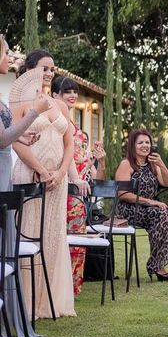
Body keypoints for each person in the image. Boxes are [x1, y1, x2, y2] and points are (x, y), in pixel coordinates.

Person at [12, 49, 79, 319]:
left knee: (52, 237)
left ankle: (50, 302)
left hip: (57, 180)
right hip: (31, 176)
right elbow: (14, 140)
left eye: (52, 68)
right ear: (30, 68)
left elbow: (70, 141)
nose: (50, 73)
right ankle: (28, 302)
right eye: (44, 68)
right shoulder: (19, 101)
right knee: (30, 233)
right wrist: (40, 170)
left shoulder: (59, 105)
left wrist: (62, 172)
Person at [0, 36, 50, 337]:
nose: (9, 56)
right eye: (5, 51)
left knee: (5, 243)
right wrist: (33, 113)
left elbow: (7, 137)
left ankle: (7, 319)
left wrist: (23, 139)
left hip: (3, 168)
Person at [51, 76, 106, 294]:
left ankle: (73, 286)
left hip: (79, 193)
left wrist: (97, 159)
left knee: (77, 239)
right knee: (61, 237)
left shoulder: (77, 129)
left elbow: (89, 169)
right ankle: (58, 286)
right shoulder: (57, 126)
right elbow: (64, 156)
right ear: (55, 95)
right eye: (67, 92)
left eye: (74, 91)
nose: (73, 95)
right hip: (64, 187)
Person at [116, 129, 168, 281]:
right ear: (133, 145)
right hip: (131, 209)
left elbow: (167, 182)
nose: (145, 146)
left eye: (147, 142)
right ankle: (157, 266)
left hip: (150, 209)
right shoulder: (126, 164)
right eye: (140, 143)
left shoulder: (153, 165)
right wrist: (150, 201)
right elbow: (121, 194)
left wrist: (161, 163)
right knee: (161, 214)